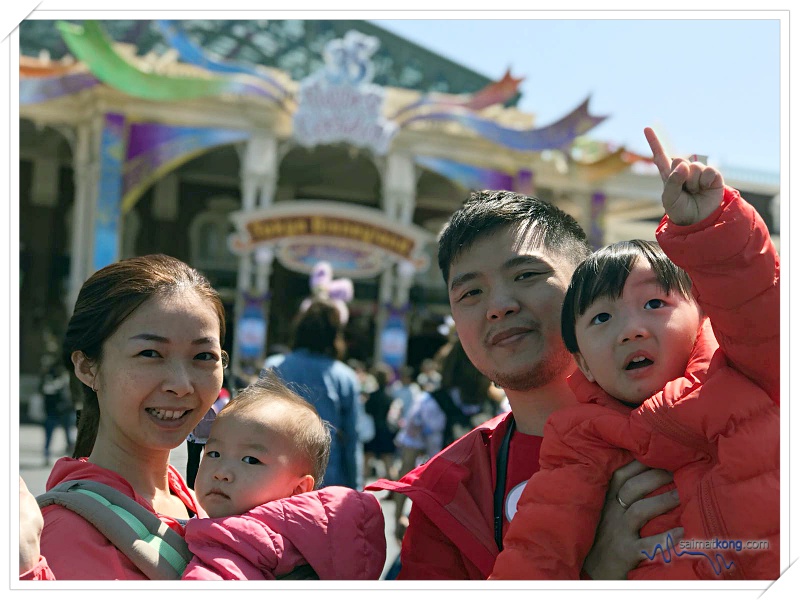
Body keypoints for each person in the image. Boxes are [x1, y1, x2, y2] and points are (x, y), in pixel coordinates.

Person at [491, 128, 779, 580]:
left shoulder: (750, 369)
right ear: (582, 361)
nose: (631, 330)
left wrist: (708, 227)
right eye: (602, 319)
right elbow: (535, 555)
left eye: (654, 304)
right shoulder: (579, 440)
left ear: (701, 310)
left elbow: (757, 303)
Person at [367, 186, 682, 579]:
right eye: (471, 292)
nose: (499, 306)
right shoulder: (448, 492)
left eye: (527, 274)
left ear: (584, 283)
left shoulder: (691, 416)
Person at [19, 254, 228, 580]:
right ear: (88, 367)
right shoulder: (64, 535)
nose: (181, 385)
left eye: (203, 356)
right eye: (150, 354)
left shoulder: (202, 500)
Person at [181, 371, 386, 580]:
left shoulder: (235, 546)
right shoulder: (314, 546)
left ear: (298, 490)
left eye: (250, 460)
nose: (221, 472)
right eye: (214, 453)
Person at [263, 298, 362, 490]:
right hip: (327, 480)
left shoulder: (274, 367)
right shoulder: (345, 378)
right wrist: (355, 490)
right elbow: (351, 440)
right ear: (335, 335)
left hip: (275, 475)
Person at [185, 370, 232, 489]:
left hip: (195, 433)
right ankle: (209, 485)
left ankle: (191, 487)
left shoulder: (197, 388)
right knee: (212, 460)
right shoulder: (224, 394)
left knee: (193, 461)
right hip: (214, 434)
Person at [363, 362, 400, 480]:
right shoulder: (390, 396)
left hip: (372, 432)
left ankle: (359, 490)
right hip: (385, 431)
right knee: (389, 463)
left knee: (366, 463)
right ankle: (395, 491)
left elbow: (367, 411)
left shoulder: (371, 396)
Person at [39, 354, 75, 465]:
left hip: (65, 409)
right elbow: (42, 390)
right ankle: (47, 455)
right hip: (53, 410)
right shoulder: (48, 377)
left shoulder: (67, 376)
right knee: (50, 435)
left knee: (68, 435)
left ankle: (72, 457)